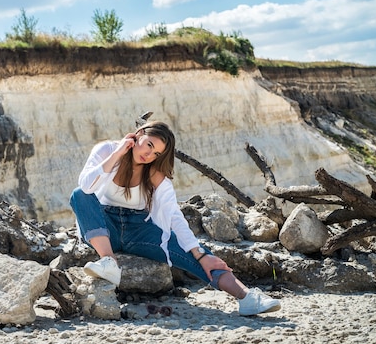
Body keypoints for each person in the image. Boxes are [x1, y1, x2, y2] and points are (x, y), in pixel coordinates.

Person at [69, 120, 280, 316]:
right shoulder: (106, 150)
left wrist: (199, 253)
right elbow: (86, 186)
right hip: (105, 227)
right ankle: (109, 262)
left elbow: (174, 216)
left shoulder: (154, 174)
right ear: (139, 135)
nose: (149, 154)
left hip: (139, 229)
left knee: (198, 257)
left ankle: (247, 297)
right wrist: (117, 152)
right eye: (149, 144)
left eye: (156, 153)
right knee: (79, 194)